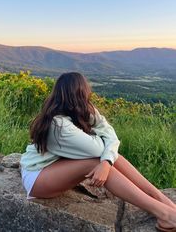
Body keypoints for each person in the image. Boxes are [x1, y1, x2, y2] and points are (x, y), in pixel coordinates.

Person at [20, 72, 176, 232]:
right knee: (97, 161)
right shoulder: (58, 125)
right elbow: (99, 149)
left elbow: (111, 135)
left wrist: (107, 161)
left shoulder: (82, 111)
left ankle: (162, 200)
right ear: (81, 93)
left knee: (113, 157)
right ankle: (164, 214)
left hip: (55, 167)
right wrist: (105, 159)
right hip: (37, 177)